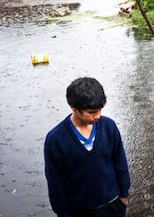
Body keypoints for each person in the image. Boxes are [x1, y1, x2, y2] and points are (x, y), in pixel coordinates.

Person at [44, 77, 130, 217]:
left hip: (113, 205)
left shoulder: (109, 127)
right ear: (74, 108)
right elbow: (55, 182)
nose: (97, 116)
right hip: (80, 210)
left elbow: (120, 163)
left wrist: (123, 196)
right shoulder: (56, 139)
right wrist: (63, 213)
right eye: (91, 112)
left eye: (100, 110)